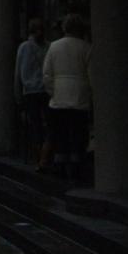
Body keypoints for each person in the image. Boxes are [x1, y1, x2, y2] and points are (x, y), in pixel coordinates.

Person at [42, 13, 92, 181]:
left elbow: (47, 74)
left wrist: (53, 91)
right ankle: (77, 165)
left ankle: (60, 164)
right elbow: (92, 75)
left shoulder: (54, 47)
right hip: (80, 98)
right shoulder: (86, 48)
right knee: (78, 133)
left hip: (59, 98)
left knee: (60, 133)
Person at [14, 18, 51, 172]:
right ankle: (43, 158)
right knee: (46, 124)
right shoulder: (48, 47)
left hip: (30, 92)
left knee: (36, 125)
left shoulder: (24, 48)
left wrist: (18, 95)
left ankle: (39, 158)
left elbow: (18, 73)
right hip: (45, 90)